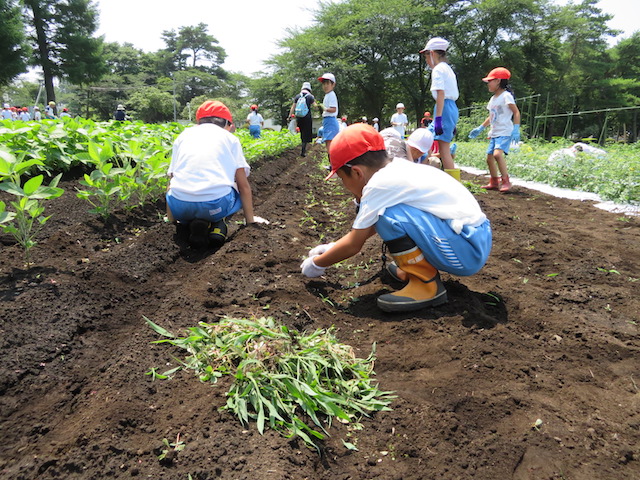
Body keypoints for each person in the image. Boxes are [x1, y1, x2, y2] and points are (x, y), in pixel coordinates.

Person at [299, 124, 491, 312]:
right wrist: (332, 248)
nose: (345, 185)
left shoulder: (378, 185)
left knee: (387, 217)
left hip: (466, 251)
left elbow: (354, 244)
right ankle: (414, 272)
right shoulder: (396, 169)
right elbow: (367, 228)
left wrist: (317, 264)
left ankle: (425, 285)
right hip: (473, 239)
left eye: (342, 179)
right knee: (389, 215)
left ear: (357, 172)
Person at [165, 100, 268, 249]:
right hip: (214, 207)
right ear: (227, 123)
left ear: (198, 121)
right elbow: (243, 186)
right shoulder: (230, 139)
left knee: (176, 187)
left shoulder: (182, 136)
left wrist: (171, 220)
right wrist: (250, 221)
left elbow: (172, 180)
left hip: (180, 207)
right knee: (234, 185)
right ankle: (218, 224)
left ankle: (186, 224)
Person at [468, 67, 521, 193]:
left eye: (490, 81)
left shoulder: (506, 96)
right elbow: (491, 116)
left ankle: (506, 181)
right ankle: (494, 181)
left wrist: (516, 128)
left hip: (504, 131)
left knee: (497, 155)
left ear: (498, 81)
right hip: (494, 132)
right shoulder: (493, 99)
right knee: (489, 158)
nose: (488, 84)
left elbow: (516, 112)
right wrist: (481, 127)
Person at [420, 37, 460, 180]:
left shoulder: (438, 70)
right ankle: (429, 175)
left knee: (439, 148)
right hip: (450, 108)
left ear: (432, 53)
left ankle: (454, 183)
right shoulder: (447, 68)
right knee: (434, 145)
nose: (426, 60)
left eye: (426, 56)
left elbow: (441, 93)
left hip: (444, 108)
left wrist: (437, 119)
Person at [289, 82, 315, 157]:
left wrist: (290, 115)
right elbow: (315, 106)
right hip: (307, 117)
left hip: (299, 117)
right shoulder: (310, 96)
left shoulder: (297, 96)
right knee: (306, 134)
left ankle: (302, 148)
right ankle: (303, 151)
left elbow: (293, 107)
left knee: (301, 133)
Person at [318, 73, 339, 158]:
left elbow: (333, 109)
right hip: (327, 120)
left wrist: (324, 108)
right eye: (324, 84)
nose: (325, 86)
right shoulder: (328, 95)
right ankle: (332, 164)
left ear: (333, 84)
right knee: (328, 142)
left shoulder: (331, 95)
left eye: (327, 83)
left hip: (330, 120)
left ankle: (333, 164)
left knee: (330, 142)